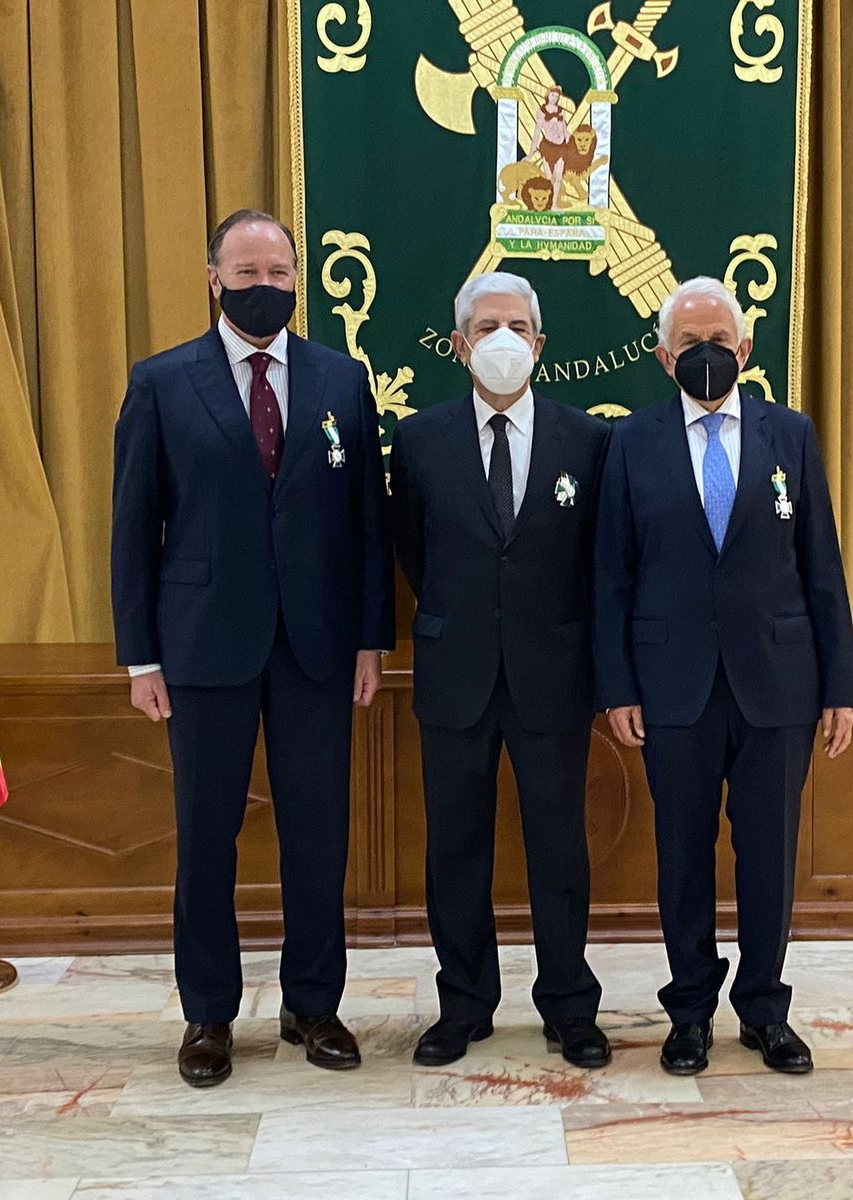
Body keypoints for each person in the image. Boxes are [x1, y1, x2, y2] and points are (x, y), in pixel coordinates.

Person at [111, 209, 394, 1087]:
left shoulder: (342, 378)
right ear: (214, 280)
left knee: (318, 831)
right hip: (202, 647)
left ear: (297, 281)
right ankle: (208, 1015)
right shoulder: (162, 382)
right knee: (207, 836)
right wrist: (140, 656)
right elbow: (132, 527)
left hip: (317, 645)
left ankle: (314, 1004)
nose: (263, 287)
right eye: (246, 273)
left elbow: (367, 522)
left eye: (278, 273)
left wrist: (371, 639)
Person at [594, 276, 853, 1076]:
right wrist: (618, 686)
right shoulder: (630, 442)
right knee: (682, 855)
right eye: (689, 343)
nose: (705, 354)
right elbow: (611, 576)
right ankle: (689, 1014)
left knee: (769, 856)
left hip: (778, 684)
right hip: (671, 686)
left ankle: (765, 1011)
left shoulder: (791, 435)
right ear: (662, 355)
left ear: (744, 349)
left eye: (718, 341)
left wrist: (840, 686)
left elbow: (821, 566)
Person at [390, 272, 611, 1069]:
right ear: (459, 345)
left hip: (554, 673)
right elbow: (412, 550)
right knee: (455, 848)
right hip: (456, 673)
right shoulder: (418, 440)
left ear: (540, 344)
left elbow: (598, 562)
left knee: (560, 849)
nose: (503, 340)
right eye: (486, 327)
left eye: (517, 326)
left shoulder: (588, 441)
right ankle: (463, 1005)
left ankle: (569, 1007)